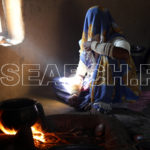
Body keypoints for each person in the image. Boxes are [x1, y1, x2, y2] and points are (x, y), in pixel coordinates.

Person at [55, 6, 141, 113]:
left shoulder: (117, 39)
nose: (93, 28)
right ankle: (90, 97)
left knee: (106, 55)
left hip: (117, 85)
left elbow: (124, 54)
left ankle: (103, 102)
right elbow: (80, 74)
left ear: (106, 23)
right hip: (95, 82)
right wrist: (74, 93)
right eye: (90, 23)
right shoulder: (85, 44)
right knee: (59, 83)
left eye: (97, 23)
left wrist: (94, 45)